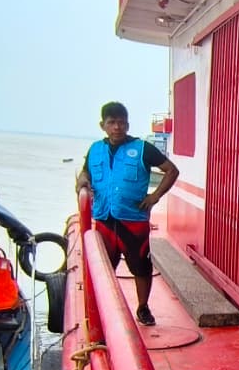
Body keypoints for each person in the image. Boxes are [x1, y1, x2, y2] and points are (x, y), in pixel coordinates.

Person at [76, 101, 179, 325]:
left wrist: (155, 196)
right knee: (103, 268)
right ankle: (103, 312)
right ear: (103, 125)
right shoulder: (95, 150)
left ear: (128, 124)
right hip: (104, 220)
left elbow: (171, 170)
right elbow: (86, 172)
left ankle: (143, 308)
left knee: (141, 267)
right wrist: (82, 181)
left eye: (121, 123)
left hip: (133, 221)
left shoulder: (142, 149)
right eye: (112, 123)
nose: (117, 128)